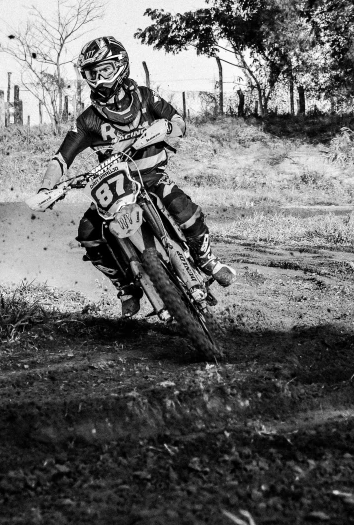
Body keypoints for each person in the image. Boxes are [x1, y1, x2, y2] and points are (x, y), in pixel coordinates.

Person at [38, 36, 235, 317]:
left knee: (184, 209)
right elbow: (61, 157)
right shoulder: (88, 120)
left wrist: (166, 127)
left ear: (120, 66)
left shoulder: (144, 97)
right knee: (88, 233)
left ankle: (206, 259)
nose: (99, 79)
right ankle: (126, 287)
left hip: (151, 176)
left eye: (104, 70)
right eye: (92, 74)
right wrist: (47, 187)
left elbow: (178, 121)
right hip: (114, 185)